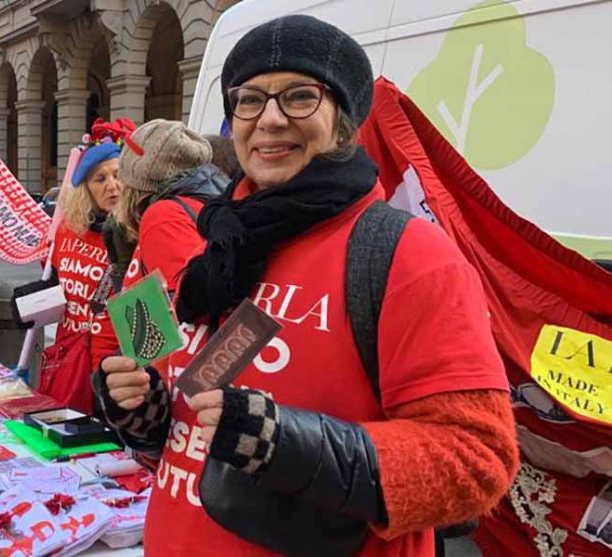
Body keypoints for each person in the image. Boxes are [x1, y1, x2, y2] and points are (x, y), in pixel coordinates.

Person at [95, 15, 518, 557]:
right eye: (249, 99)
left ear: (343, 120)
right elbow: (195, 402)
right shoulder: (220, 240)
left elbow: (477, 461)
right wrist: (148, 411)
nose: (269, 119)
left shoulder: (409, 254)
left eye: (299, 96)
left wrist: (289, 444)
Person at [92, 120, 229, 359]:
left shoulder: (162, 216)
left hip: (177, 384)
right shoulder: (197, 205)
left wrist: (118, 373)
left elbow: (182, 320)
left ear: (137, 180)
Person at [38, 118, 132, 413]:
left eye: (118, 175)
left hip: (118, 366)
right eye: (100, 179)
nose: (112, 186)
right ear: (85, 189)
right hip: (70, 360)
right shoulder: (66, 230)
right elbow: (56, 290)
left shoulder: (139, 233)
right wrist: (32, 303)